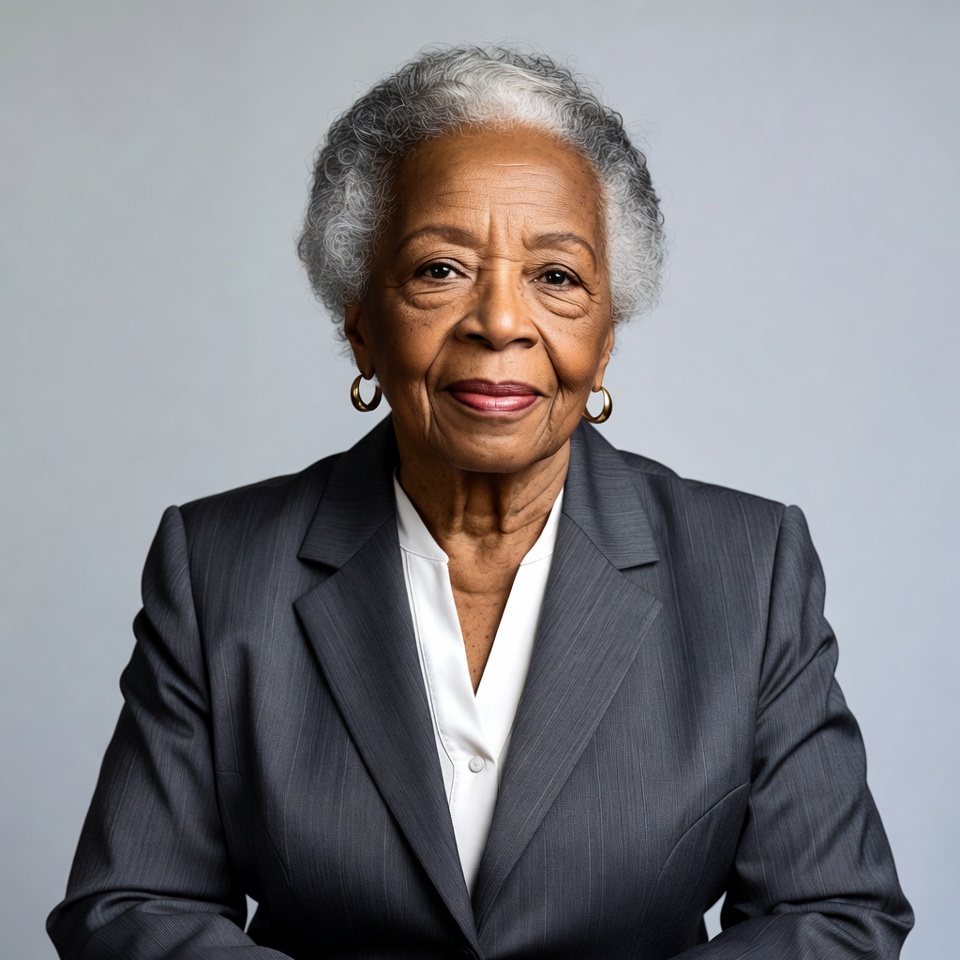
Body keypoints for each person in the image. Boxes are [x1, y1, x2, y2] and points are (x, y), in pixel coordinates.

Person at [48, 46, 912, 959]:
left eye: (557, 277)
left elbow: (833, 918)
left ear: (605, 341)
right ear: (361, 328)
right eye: (440, 269)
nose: (500, 321)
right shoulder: (218, 565)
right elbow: (133, 907)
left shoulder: (749, 566)